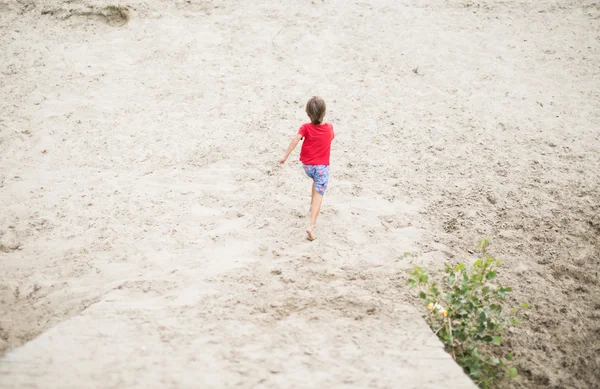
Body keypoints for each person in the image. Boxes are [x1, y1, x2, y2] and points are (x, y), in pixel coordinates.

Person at [280, 96, 334, 241]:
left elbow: (295, 140)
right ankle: (311, 226)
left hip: (307, 166)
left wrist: (285, 156)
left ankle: (311, 205)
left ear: (307, 113)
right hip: (321, 167)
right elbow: (331, 137)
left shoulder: (305, 127)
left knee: (315, 181)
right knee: (319, 194)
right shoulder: (329, 128)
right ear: (324, 112)